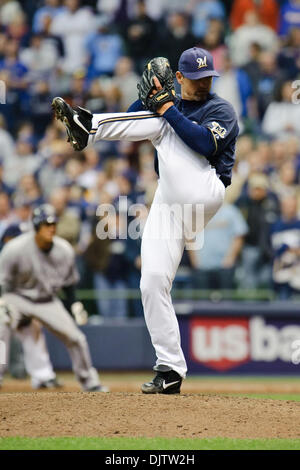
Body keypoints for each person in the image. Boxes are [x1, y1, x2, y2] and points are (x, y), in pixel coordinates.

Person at [52, 47, 239, 394]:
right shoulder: (168, 105)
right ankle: (169, 369)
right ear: (180, 78)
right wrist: (152, 101)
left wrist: (166, 107)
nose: (204, 83)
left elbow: (203, 142)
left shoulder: (221, 109)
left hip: (204, 188)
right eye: (196, 79)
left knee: (164, 128)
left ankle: (88, 125)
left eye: (208, 77)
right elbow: (133, 120)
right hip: (169, 200)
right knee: (151, 282)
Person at [0, 204, 108, 392]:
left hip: (46, 301)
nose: (51, 228)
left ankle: (89, 382)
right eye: (45, 224)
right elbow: (3, 281)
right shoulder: (15, 249)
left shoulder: (64, 250)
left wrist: (73, 305)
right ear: (35, 226)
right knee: (1, 325)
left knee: (76, 338)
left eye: (53, 224)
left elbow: (69, 285)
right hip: (17, 297)